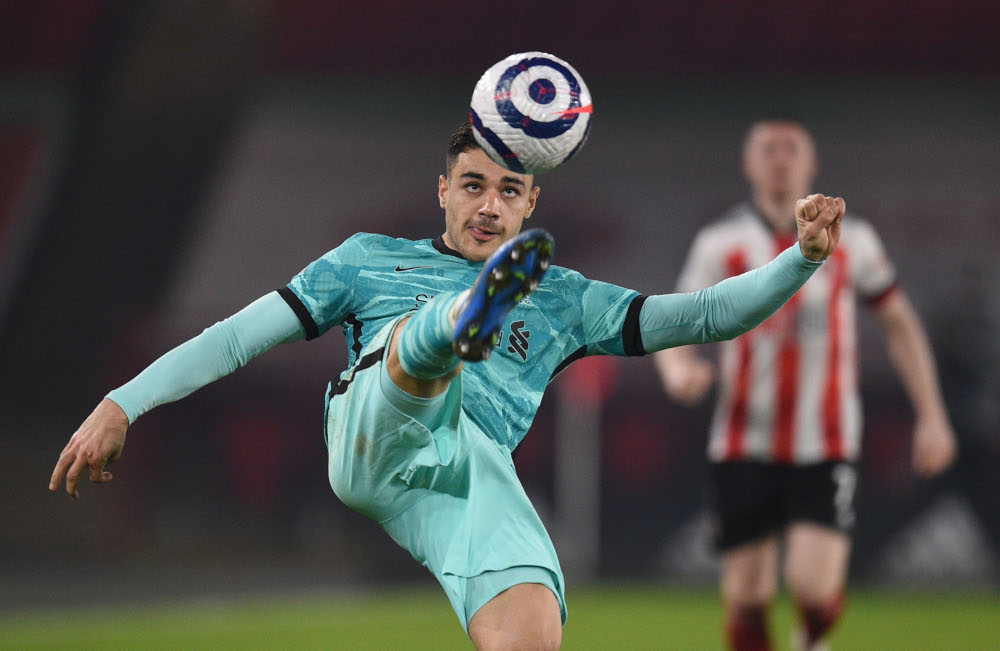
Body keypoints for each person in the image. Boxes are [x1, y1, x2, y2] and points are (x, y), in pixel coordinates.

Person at [51, 121, 845, 651]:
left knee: (533, 630)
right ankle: (458, 320)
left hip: (468, 472)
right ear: (441, 191)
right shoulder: (363, 259)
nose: (489, 206)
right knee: (417, 346)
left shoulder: (563, 296)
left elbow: (705, 313)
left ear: (532, 201)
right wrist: (124, 402)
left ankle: (462, 320)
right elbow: (235, 337)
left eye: (508, 191)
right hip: (374, 428)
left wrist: (802, 256)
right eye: (472, 186)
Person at [654, 116, 957, 651]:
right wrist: (678, 369)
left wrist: (931, 415)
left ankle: (811, 636)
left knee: (814, 591)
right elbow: (677, 317)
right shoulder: (720, 243)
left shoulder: (854, 240)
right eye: (767, 149)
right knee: (747, 598)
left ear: (811, 162)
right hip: (742, 441)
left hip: (826, 440)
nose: (779, 158)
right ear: (749, 164)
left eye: (791, 148)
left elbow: (899, 324)